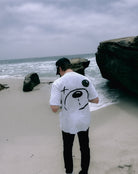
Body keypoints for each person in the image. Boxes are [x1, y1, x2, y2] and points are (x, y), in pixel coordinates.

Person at [50, 58, 99, 174]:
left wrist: (65, 102)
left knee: (67, 148)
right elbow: (96, 100)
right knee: (84, 147)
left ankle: (69, 172)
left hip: (68, 122)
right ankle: (84, 171)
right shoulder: (84, 79)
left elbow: (54, 108)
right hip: (84, 120)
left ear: (60, 68)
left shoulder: (58, 83)